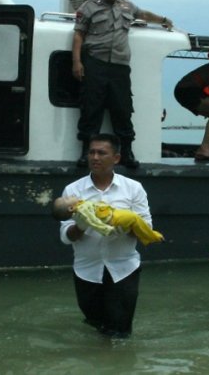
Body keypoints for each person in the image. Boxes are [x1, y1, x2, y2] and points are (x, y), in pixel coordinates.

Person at [72, 0, 173, 169]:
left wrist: (163, 19)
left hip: (119, 66)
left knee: (123, 110)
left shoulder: (127, 6)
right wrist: (77, 62)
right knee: (91, 109)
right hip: (95, 63)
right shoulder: (89, 7)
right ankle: (86, 153)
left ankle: (126, 152)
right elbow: (78, 35)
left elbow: (143, 14)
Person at [58, 133, 155, 338]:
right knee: (95, 325)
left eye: (102, 153)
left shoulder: (133, 189)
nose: (94, 157)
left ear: (116, 158)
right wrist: (81, 225)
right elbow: (65, 235)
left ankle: (118, 364)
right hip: (86, 269)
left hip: (124, 268)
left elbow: (146, 226)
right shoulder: (73, 190)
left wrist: (123, 224)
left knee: (120, 331)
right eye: (91, 152)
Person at [52, 195, 164, 246]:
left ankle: (149, 237)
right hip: (113, 219)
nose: (70, 195)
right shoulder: (82, 210)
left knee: (135, 220)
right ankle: (152, 237)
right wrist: (107, 230)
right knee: (134, 218)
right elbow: (93, 222)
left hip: (113, 214)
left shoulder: (134, 187)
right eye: (67, 198)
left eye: (101, 153)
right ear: (71, 208)